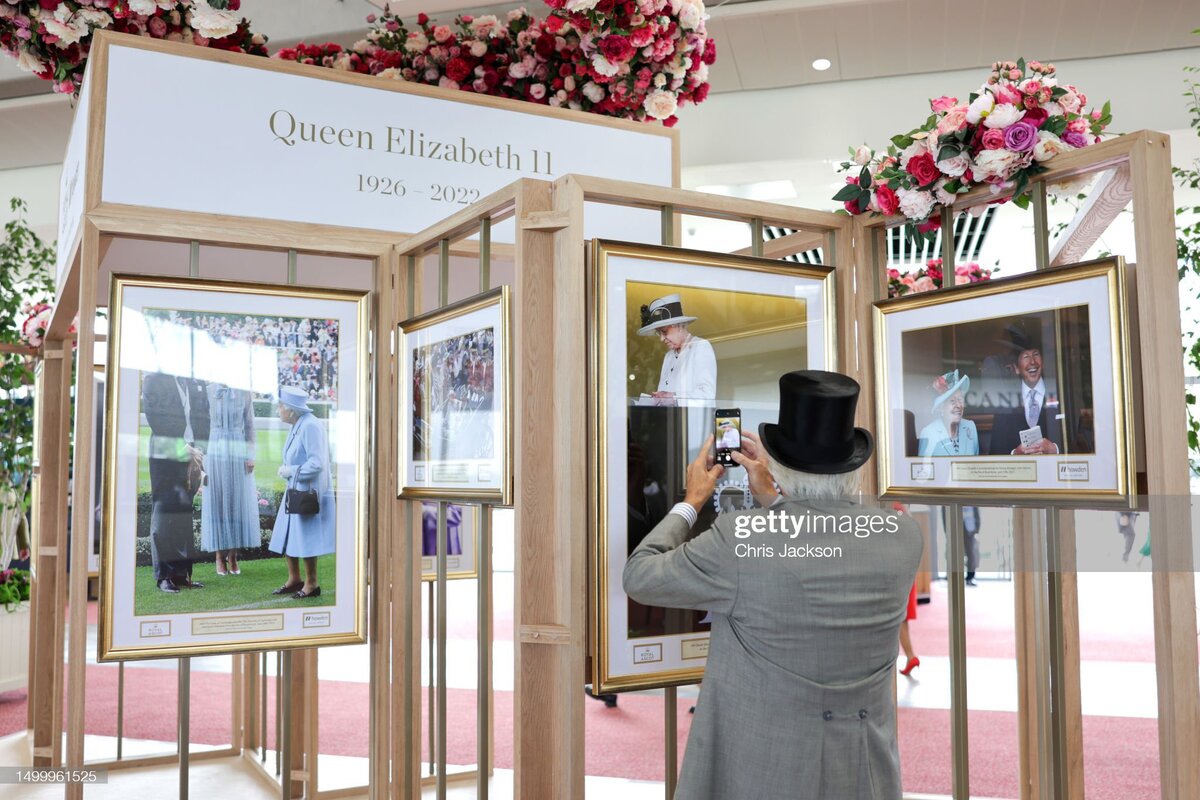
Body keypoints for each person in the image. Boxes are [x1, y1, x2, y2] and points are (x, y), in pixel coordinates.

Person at [623, 370, 923, 798]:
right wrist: (778, 505)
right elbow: (822, 553)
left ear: (776, 465)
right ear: (852, 464)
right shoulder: (903, 536)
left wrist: (691, 503)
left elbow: (640, 575)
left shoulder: (739, 538)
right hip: (861, 775)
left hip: (762, 774)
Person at [142, 371, 210, 594]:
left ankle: (181, 573)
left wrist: (197, 451)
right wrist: (183, 448)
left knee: (183, 514)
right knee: (163, 515)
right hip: (166, 455)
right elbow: (156, 418)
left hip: (193, 455)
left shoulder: (194, 381)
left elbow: (203, 417)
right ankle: (163, 575)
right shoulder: (154, 379)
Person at [268, 386, 336, 599]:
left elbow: (317, 463)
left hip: (307, 493)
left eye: (281, 405)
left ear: (291, 410)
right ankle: (294, 579)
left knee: (306, 538)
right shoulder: (298, 424)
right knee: (288, 534)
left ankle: (312, 583)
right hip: (295, 489)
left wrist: (290, 471)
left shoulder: (310, 427)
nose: (278, 409)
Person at [200, 383, 260, 576]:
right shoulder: (208, 391)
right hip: (214, 448)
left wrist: (250, 455)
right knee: (217, 501)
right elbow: (198, 424)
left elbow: (250, 426)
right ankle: (219, 556)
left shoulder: (244, 393)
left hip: (238, 450)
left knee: (237, 502)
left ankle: (233, 556)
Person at [988, 323, 1063, 455]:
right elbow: (995, 450)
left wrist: (1055, 450)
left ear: (1043, 363)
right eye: (1026, 357)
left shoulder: (1062, 395)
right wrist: (1015, 454)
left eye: (1036, 354)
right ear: (1016, 368)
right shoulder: (1006, 401)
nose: (1032, 362)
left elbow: (1081, 441)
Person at [918, 370, 979, 457]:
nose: (958, 405)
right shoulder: (929, 433)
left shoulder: (970, 427)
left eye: (960, 400)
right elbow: (924, 469)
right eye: (952, 401)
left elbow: (975, 465)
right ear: (941, 407)